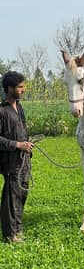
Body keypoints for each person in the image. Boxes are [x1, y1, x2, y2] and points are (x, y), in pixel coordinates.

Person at [0, 71, 34, 243]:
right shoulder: (2, 111)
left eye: (23, 86)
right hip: (11, 162)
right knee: (11, 197)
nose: (23, 89)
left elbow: (22, 131)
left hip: (24, 160)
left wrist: (27, 144)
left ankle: (18, 230)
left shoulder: (19, 108)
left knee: (22, 194)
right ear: (9, 88)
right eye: (20, 87)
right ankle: (9, 234)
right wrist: (17, 145)